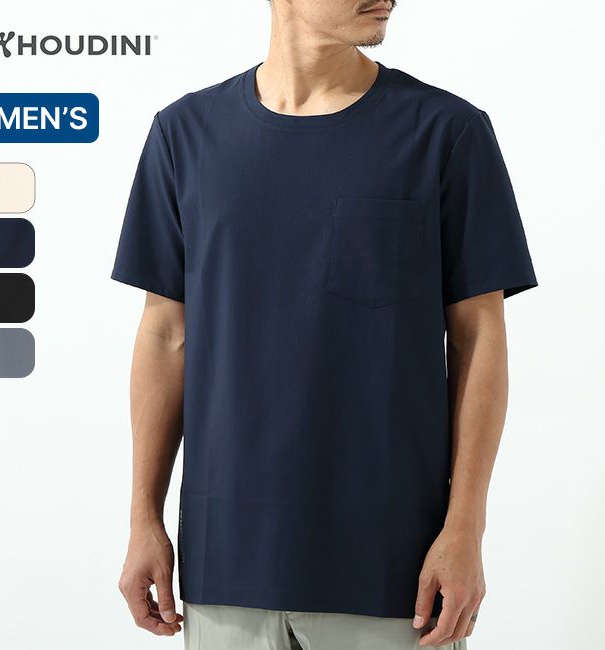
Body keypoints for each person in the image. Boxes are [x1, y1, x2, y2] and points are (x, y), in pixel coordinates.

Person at [111, 1, 538, 647]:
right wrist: (144, 518)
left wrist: (466, 528)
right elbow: (167, 334)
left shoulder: (446, 133)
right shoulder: (185, 134)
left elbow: (480, 337)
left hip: (395, 570)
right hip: (225, 565)